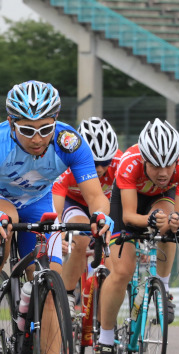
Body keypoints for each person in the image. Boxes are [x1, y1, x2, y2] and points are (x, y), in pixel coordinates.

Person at [0, 80, 112, 354]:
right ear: (10, 123)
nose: (37, 138)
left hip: (38, 201)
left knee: (50, 285)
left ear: (56, 121)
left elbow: (95, 195)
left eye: (45, 129)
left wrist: (101, 215)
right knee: (5, 216)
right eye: (27, 130)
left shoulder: (69, 142)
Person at [93, 119, 179, 354]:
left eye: (169, 164)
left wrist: (176, 223)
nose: (163, 172)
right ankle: (104, 339)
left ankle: (163, 288)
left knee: (170, 225)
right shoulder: (129, 162)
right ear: (144, 159)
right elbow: (128, 216)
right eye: (156, 165)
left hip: (161, 198)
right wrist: (147, 220)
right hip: (128, 204)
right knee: (123, 271)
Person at [53, 117, 122, 316]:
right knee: (82, 237)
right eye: (94, 163)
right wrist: (56, 235)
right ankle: (66, 294)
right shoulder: (67, 163)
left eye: (105, 162)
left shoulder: (120, 163)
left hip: (104, 205)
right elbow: (56, 209)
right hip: (73, 203)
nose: (100, 169)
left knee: (114, 252)